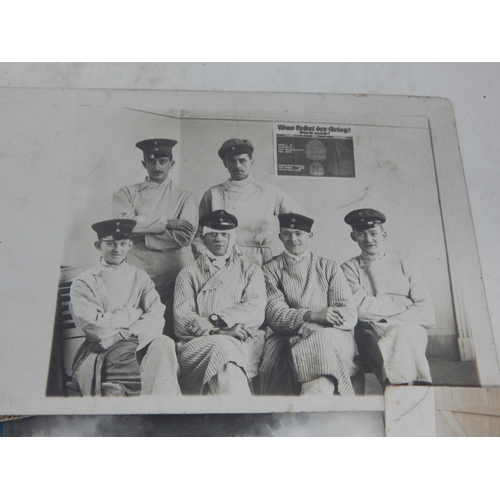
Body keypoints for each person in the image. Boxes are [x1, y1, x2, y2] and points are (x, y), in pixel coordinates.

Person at [70, 219, 181, 396]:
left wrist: (122, 333)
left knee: (164, 344)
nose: (117, 249)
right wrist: (135, 313)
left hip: (138, 342)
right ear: (98, 245)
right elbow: (95, 328)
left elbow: (156, 315)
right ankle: (161, 408)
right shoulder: (85, 281)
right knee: (164, 367)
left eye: (122, 244)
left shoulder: (140, 277)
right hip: (105, 351)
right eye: (110, 244)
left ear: (130, 245)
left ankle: (125, 391)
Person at [258, 213, 358, 396]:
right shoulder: (268, 270)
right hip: (288, 337)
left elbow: (348, 311)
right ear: (280, 236)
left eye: (298, 233)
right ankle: (315, 404)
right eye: (287, 234)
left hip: (333, 336)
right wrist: (310, 316)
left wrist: (319, 324)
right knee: (317, 357)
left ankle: (313, 403)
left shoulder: (329, 266)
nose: (293, 239)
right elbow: (275, 314)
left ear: (309, 236)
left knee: (321, 341)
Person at [174, 210, 266, 396]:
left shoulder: (251, 270)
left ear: (233, 237)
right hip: (199, 345)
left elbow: (255, 310)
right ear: (203, 237)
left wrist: (215, 319)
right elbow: (181, 321)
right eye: (213, 234)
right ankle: (241, 418)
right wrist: (220, 331)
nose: (219, 239)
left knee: (228, 358)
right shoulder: (188, 273)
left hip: (243, 341)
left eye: (225, 234)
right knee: (224, 349)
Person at [112, 138, 198, 336]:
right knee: (138, 328)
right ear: (144, 164)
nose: (157, 166)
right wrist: (166, 223)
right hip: (138, 270)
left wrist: (143, 237)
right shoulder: (127, 193)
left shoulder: (185, 196)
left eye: (163, 161)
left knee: (172, 329)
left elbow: (185, 236)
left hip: (173, 271)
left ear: (171, 163)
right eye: (152, 161)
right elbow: (122, 226)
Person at [341, 208, 435, 387]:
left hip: (409, 329)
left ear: (384, 234)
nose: (368, 240)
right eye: (361, 234)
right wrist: (404, 304)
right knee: (401, 336)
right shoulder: (348, 269)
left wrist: (389, 316)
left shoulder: (406, 266)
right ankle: (404, 393)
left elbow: (427, 311)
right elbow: (360, 309)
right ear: (353, 237)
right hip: (371, 332)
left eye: (373, 233)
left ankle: (404, 392)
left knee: (403, 333)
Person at [192, 138, 304, 266]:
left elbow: (301, 224)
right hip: (222, 262)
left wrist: (287, 259)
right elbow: (199, 237)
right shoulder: (213, 193)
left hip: (261, 261)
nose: (237, 166)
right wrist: (207, 264)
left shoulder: (270, 192)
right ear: (225, 164)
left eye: (242, 160)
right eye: (232, 161)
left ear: (251, 162)